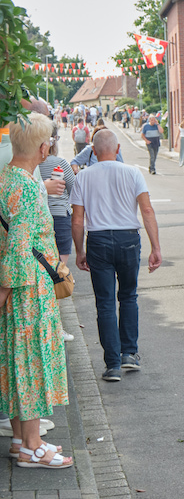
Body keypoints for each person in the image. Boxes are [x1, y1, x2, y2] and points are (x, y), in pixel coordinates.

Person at [0, 113, 72, 469]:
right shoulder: (28, 186)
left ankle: (19, 439)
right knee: (30, 361)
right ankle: (32, 445)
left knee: (15, 360)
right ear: (43, 148)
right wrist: (3, 291)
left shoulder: (6, 178)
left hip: (18, 287)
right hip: (28, 290)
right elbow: (18, 246)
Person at [70, 129, 162, 382]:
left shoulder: (83, 177)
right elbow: (147, 210)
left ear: (93, 152)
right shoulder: (132, 172)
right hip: (128, 238)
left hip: (98, 239)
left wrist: (80, 251)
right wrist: (156, 246)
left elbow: (77, 220)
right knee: (129, 296)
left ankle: (112, 364)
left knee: (105, 302)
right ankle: (129, 353)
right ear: (118, 148)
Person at [38, 125, 76, 341]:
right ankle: (55, 326)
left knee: (43, 274)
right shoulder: (59, 163)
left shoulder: (30, 165)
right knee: (57, 274)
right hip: (59, 219)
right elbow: (74, 189)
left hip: (39, 219)